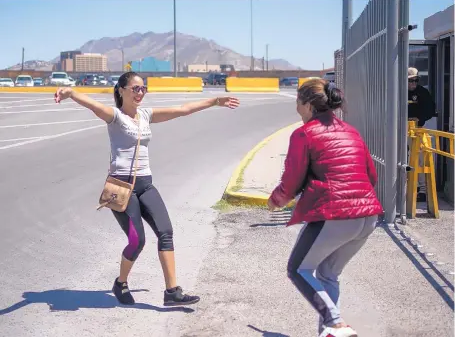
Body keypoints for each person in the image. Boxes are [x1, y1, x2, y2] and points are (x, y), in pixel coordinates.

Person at [54, 72, 240, 306]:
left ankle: (172, 291)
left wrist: (214, 102)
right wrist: (71, 93)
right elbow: (93, 105)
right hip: (122, 188)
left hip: (145, 185)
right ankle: (120, 282)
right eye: (135, 88)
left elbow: (183, 109)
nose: (140, 93)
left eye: (143, 89)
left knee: (166, 231)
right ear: (121, 90)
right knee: (136, 240)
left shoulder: (145, 115)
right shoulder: (115, 117)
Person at [267, 79, 383, 337]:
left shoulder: (304, 134)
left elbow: (291, 181)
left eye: (298, 101)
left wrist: (275, 200)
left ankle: (337, 324)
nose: (296, 106)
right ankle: (331, 332)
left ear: (308, 105)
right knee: (328, 274)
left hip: (335, 214)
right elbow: (370, 176)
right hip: (367, 215)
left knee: (298, 269)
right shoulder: (351, 131)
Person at [407, 67, 437, 202]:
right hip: (401, 130)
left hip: (418, 130)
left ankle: (422, 190)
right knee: (403, 158)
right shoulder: (399, 92)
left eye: (416, 80)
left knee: (420, 159)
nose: (413, 83)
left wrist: (420, 118)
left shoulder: (422, 92)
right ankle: (406, 187)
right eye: (410, 81)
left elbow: (430, 109)